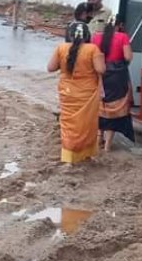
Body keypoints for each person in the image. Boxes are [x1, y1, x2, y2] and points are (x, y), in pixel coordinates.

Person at [48, 21, 106, 163]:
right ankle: (86, 154)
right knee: (88, 124)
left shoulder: (61, 48)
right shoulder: (93, 49)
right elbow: (101, 70)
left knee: (68, 124)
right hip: (87, 94)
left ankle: (69, 157)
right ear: (87, 35)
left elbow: (50, 68)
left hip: (67, 93)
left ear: (68, 34)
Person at [93, 16, 135, 147]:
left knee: (101, 106)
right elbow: (128, 57)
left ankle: (98, 139)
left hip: (100, 75)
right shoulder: (123, 37)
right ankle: (108, 145)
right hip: (117, 77)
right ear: (119, 25)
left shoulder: (96, 37)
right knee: (114, 109)